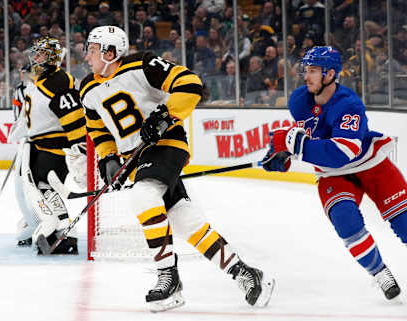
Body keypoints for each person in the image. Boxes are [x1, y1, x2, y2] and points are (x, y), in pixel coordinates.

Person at [69, 25, 275, 312]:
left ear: (110, 52)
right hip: (137, 158)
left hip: (167, 143)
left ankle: (168, 276)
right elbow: (97, 128)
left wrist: (167, 114)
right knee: (184, 220)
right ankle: (245, 273)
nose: (86, 55)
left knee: (142, 197)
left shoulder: (142, 64)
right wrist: (107, 158)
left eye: (92, 49)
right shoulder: (87, 88)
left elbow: (191, 83)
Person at [262, 46, 406, 301]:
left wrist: (297, 146)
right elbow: (300, 135)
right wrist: (279, 153)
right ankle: (380, 272)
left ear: (330, 74)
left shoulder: (349, 104)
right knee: (345, 221)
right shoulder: (299, 100)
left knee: (405, 223)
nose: (307, 76)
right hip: (333, 176)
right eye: (306, 70)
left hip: (371, 165)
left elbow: (343, 152)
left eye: (314, 71)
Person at [8, 36, 87, 254]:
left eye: (40, 53)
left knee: (45, 187)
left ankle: (64, 231)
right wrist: (24, 127)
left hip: (54, 149)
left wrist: (80, 148)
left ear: (51, 57)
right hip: (40, 146)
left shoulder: (58, 81)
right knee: (41, 189)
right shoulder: (42, 80)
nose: (35, 57)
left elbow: (73, 117)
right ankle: (56, 228)